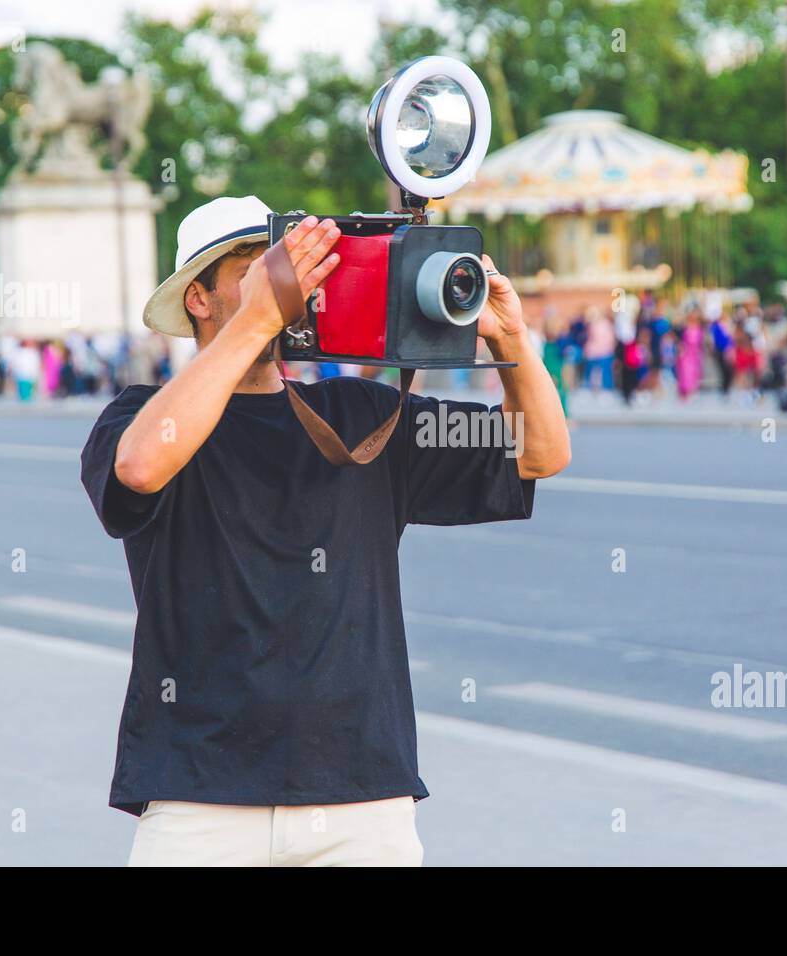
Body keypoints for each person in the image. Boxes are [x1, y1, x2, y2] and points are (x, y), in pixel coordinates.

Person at [79, 196, 570, 867]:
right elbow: (139, 468)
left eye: (299, 270)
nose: (291, 288)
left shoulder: (362, 410)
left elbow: (537, 453)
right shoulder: (137, 417)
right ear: (199, 297)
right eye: (263, 270)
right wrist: (254, 321)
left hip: (361, 797)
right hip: (198, 796)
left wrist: (512, 341)